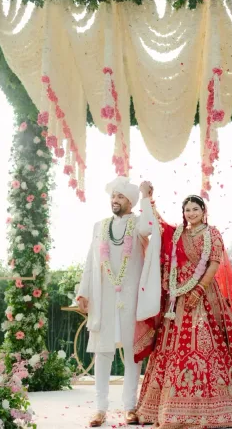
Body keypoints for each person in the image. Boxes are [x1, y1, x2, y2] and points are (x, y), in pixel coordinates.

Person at [136, 194, 232, 428]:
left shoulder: (212, 234)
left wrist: (199, 289)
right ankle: (171, 407)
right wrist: (150, 201)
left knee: (212, 346)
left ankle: (220, 404)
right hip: (179, 299)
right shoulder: (179, 234)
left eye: (195, 209)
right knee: (174, 349)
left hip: (206, 298)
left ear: (203, 211)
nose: (191, 213)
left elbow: (213, 263)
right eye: (187, 210)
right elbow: (161, 226)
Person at [76, 176, 161, 427]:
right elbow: (91, 261)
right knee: (102, 353)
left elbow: (151, 227)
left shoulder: (137, 224)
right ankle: (100, 409)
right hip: (104, 297)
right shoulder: (99, 226)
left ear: (131, 202)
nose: (115, 200)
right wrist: (84, 292)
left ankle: (129, 407)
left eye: (120, 196)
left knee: (132, 354)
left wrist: (147, 197)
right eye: (113, 195)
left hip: (130, 296)